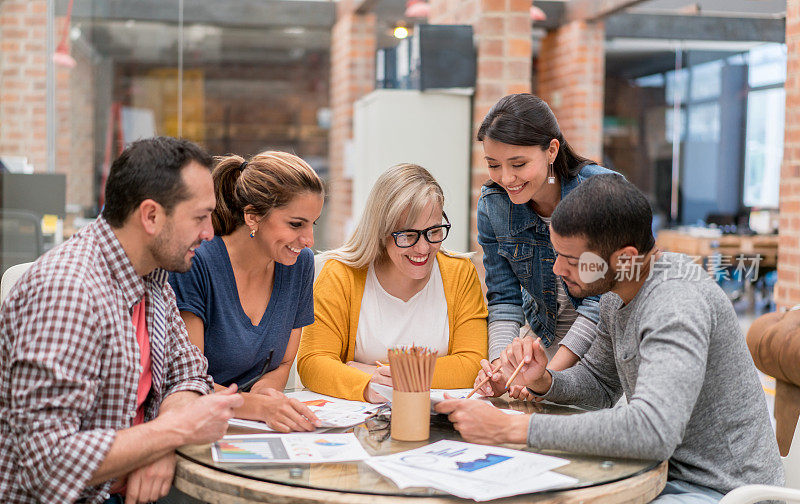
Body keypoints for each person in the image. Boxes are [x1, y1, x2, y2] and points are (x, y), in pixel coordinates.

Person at [437, 174, 784, 504]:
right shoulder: (616, 295)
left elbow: (653, 429)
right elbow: (600, 386)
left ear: (624, 258)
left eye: (570, 260)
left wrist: (515, 428)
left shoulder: (676, 302)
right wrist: (544, 381)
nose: (557, 269)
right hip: (664, 483)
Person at [0, 137, 243, 504]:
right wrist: (175, 431)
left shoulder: (153, 278)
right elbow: (46, 459)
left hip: (121, 500)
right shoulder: (68, 291)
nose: (210, 233)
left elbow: (189, 375)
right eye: (200, 217)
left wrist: (160, 446)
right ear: (151, 217)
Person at [297, 163, 488, 402]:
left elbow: (471, 364)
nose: (423, 248)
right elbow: (313, 363)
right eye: (408, 235)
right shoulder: (340, 275)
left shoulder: (460, 274)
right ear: (381, 231)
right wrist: (368, 387)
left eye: (434, 231)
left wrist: (377, 372)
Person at [475, 93, 623, 393]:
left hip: (604, 347)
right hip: (544, 344)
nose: (506, 178)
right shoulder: (493, 206)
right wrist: (501, 370)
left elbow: (600, 303)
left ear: (552, 150)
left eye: (518, 163)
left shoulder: (602, 192)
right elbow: (504, 299)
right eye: (494, 165)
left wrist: (543, 381)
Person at [169, 151, 324, 433]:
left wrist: (266, 393)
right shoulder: (197, 264)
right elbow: (188, 381)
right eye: (296, 224)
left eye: (314, 224)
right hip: (196, 427)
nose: (309, 239)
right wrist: (257, 407)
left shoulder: (300, 264)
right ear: (252, 216)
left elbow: (285, 361)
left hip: (254, 428)